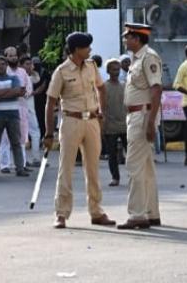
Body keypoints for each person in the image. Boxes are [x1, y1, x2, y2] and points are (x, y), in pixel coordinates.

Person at [44, 32, 113, 229]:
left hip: (91, 120)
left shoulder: (91, 66)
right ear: (76, 50)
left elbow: (101, 88)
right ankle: (61, 214)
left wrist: (102, 111)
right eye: (86, 47)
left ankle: (96, 211)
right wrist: (49, 133)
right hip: (71, 120)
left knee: (93, 168)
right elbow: (50, 102)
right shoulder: (62, 71)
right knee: (65, 168)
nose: (90, 50)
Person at [119, 23, 163, 230]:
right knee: (146, 168)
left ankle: (137, 215)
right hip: (137, 114)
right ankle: (151, 213)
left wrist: (150, 122)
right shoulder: (137, 59)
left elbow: (156, 90)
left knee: (134, 166)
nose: (125, 40)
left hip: (142, 115)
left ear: (137, 38)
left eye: (127, 36)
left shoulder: (148, 57)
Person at [0, 56, 27, 178]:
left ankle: (20, 168)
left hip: (13, 114)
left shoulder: (14, 78)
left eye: (3, 64)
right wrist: (9, 93)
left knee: (16, 142)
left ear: (6, 66)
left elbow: (17, 92)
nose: (1, 66)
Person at [103, 59, 127, 186]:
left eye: (118, 69)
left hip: (124, 125)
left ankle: (134, 176)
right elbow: (102, 107)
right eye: (113, 69)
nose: (116, 72)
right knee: (112, 154)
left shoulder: (124, 85)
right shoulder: (104, 87)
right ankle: (115, 177)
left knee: (131, 153)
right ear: (108, 71)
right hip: (110, 126)